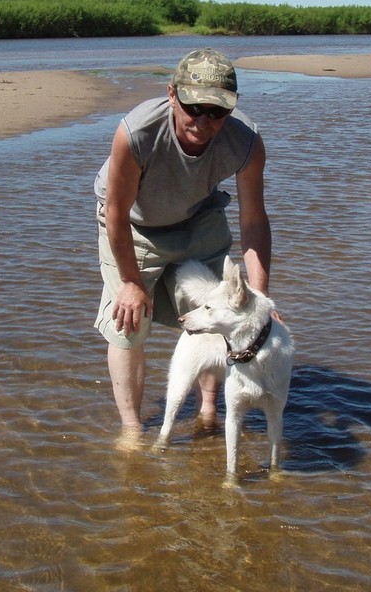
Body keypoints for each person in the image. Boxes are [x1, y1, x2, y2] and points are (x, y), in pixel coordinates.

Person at [93, 48, 272, 441]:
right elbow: (117, 215)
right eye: (193, 107)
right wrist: (130, 282)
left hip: (200, 218)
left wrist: (258, 296)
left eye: (217, 111)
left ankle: (208, 410)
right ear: (172, 94)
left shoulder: (246, 142)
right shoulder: (136, 132)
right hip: (135, 225)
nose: (203, 121)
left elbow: (254, 219)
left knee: (215, 314)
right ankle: (132, 428)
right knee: (128, 324)